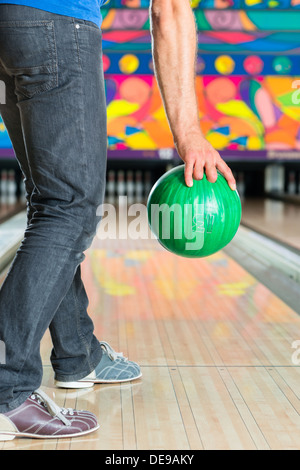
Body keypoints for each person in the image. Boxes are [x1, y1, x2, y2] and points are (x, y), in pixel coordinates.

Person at [0, 0, 236, 441]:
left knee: (52, 201)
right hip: (56, 23)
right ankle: (6, 388)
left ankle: (77, 354)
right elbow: (170, 10)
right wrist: (189, 136)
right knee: (69, 207)